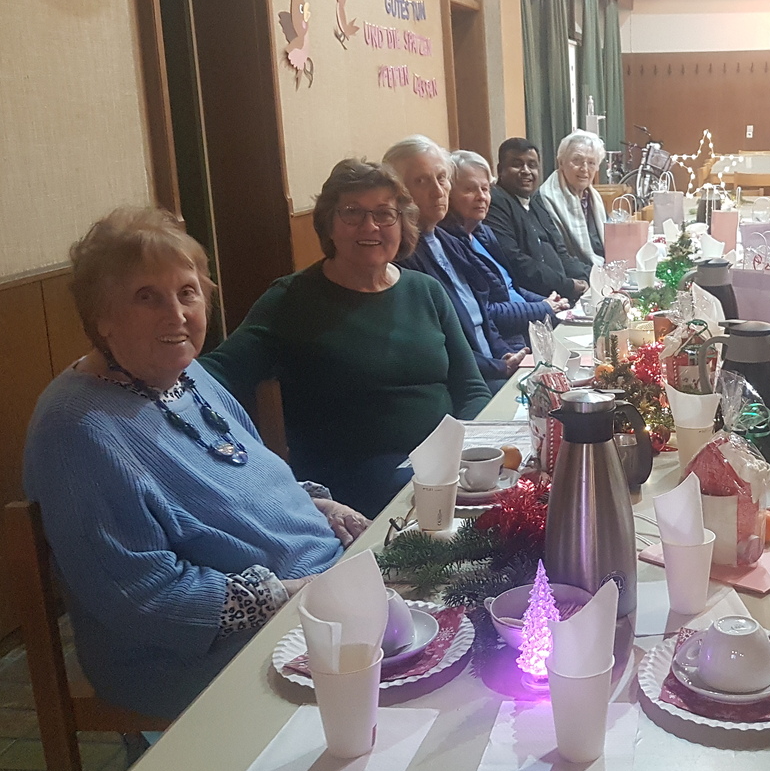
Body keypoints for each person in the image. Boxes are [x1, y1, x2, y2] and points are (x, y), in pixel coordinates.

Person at [24, 207, 362, 719]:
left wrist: (321, 507)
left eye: (187, 292)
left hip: (315, 596)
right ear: (101, 317)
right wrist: (293, 595)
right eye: (146, 297)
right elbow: (144, 598)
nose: (177, 315)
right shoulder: (76, 429)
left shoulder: (188, 375)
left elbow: (248, 479)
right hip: (204, 656)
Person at [202, 158, 492, 517]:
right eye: (352, 213)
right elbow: (215, 376)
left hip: (442, 467)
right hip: (353, 481)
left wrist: (473, 452)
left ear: (402, 223)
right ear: (329, 224)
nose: (370, 226)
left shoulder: (425, 290)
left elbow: (471, 389)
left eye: (384, 213)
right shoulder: (291, 299)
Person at [384, 135, 530, 391]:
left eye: (442, 178)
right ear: (398, 192)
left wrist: (504, 353)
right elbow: (437, 345)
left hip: (494, 368)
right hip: (465, 383)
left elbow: (484, 314)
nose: (438, 191)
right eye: (421, 181)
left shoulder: (450, 241)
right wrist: (499, 366)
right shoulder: (401, 257)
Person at [442, 148, 569, 342]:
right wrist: (543, 308)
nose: (481, 196)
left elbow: (510, 288)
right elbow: (487, 312)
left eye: (485, 189)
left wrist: (545, 302)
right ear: (448, 194)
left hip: (528, 325)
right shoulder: (450, 245)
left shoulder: (482, 233)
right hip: (509, 342)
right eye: (470, 189)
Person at [485, 137, 589, 300]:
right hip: (535, 300)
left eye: (532, 165)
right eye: (517, 164)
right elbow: (515, 261)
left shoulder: (535, 201)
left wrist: (585, 279)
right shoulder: (495, 203)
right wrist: (568, 286)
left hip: (563, 292)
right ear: (500, 170)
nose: (526, 171)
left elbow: (561, 251)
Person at [538, 129, 608, 268]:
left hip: (601, 268)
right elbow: (559, 256)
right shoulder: (545, 199)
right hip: (574, 274)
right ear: (561, 162)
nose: (584, 168)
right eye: (577, 160)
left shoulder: (594, 197)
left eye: (591, 162)